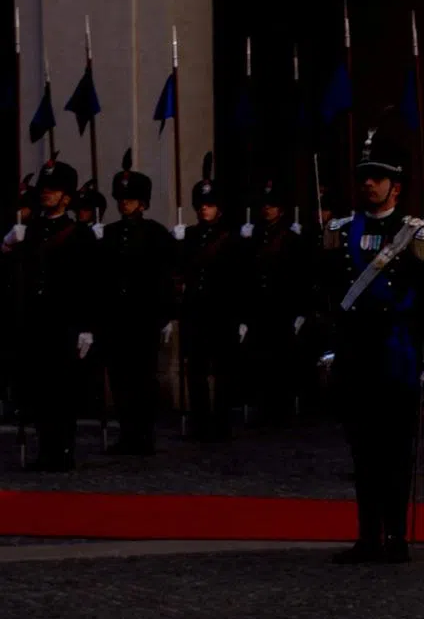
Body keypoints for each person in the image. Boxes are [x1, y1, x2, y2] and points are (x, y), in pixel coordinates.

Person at [328, 134, 424, 564]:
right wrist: (328, 349)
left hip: (398, 355)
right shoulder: (341, 233)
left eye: (377, 179)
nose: (369, 186)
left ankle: (396, 537)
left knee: (397, 451)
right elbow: (328, 297)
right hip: (356, 355)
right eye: (365, 179)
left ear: (395, 186)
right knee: (363, 451)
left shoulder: (417, 235)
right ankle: (367, 536)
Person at [1, 160, 98, 471]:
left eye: (53, 190)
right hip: (34, 321)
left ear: (66, 197)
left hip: (64, 321)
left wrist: (86, 326)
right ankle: (45, 449)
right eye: (44, 189)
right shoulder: (29, 231)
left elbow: (89, 283)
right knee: (39, 389)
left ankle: (63, 449)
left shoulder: (79, 235)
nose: (46, 194)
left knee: (62, 390)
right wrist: (7, 245)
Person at [99, 150, 177, 455]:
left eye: (130, 199)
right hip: (117, 318)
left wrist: (167, 314)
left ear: (142, 202)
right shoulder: (109, 233)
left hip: (143, 316)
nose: (124, 204)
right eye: (121, 199)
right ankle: (127, 433)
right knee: (120, 380)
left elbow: (165, 276)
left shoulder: (156, 234)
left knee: (143, 379)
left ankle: (144, 435)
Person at [175, 154, 242, 442]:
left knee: (224, 370)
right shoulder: (189, 236)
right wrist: (175, 243)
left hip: (221, 310)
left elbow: (240, 279)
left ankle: (222, 423)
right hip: (195, 311)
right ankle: (200, 422)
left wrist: (241, 316)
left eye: (210, 205)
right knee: (197, 370)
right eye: (201, 205)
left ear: (220, 209)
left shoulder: (230, 239)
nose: (204, 210)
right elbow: (179, 273)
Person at [239, 177, 310, 425]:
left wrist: (300, 310)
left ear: (281, 209)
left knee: (282, 361)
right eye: (265, 205)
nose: (267, 209)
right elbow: (247, 274)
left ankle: (283, 410)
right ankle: (264, 408)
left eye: (272, 205)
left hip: (282, 307)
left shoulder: (291, 238)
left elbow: (300, 276)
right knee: (261, 360)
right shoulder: (254, 236)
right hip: (260, 308)